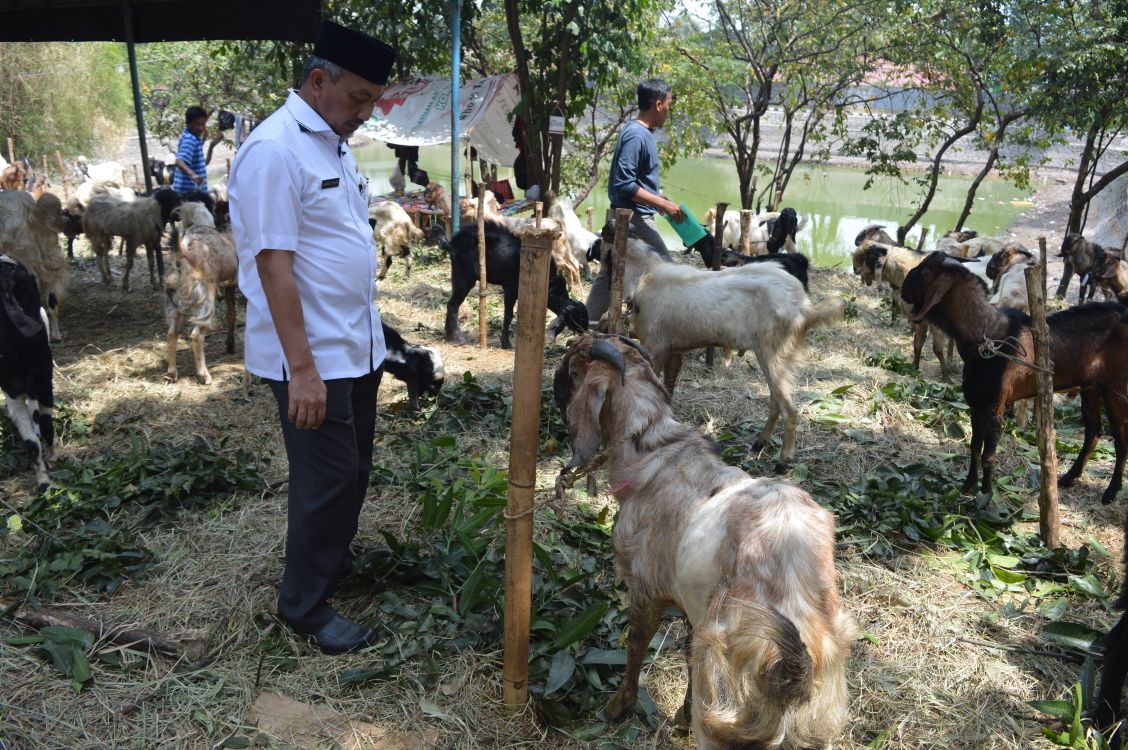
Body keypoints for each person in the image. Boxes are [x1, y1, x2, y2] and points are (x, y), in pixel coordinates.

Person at [229, 21, 397, 654]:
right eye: (358, 98)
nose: (365, 112)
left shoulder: (333, 143)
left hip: (355, 344)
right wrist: (301, 370)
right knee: (325, 477)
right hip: (312, 355)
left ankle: (330, 560)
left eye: (372, 101)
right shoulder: (275, 149)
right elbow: (274, 265)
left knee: (353, 467)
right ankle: (303, 606)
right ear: (319, 80)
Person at [587, 78, 685, 324]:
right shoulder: (636, 135)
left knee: (611, 271)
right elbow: (624, 184)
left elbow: (635, 182)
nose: (669, 110)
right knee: (667, 271)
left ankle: (586, 323)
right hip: (632, 218)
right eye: (669, 104)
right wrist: (661, 204)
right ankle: (664, 327)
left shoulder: (642, 133)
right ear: (659, 104)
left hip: (629, 213)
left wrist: (657, 198)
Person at [173, 106, 209, 197]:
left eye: (203, 124)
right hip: (189, 194)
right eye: (196, 124)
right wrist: (193, 175)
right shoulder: (190, 140)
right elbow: (179, 161)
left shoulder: (189, 136)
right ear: (188, 123)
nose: (200, 128)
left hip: (187, 191)